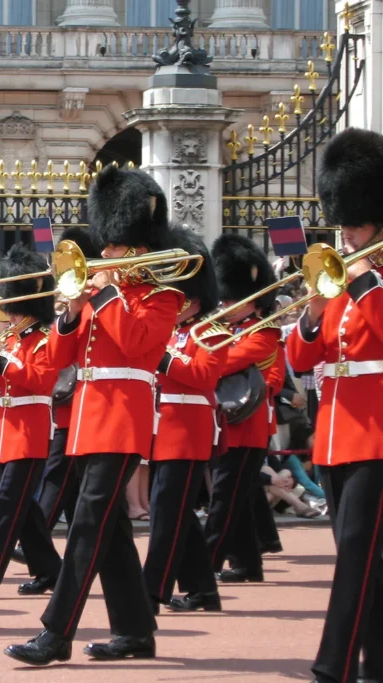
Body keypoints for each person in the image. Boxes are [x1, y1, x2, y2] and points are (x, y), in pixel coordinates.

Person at [6, 165, 179, 665]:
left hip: (123, 419)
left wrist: (103, 294)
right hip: (86, 419)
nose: (103, 254)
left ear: (139, 247)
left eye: (114, 246)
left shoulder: (161, 295)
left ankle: (56, 632)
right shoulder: (99, 297)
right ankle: (135, 631)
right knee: (112, 528)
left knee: (86, 525)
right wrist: (67, 311)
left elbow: (139, 344)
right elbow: (59, 358)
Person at [287, 128, 383, 683]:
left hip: (375, 435)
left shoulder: (371, 281)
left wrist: (366, 281)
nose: (344, 237)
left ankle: (335, 665)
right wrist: (314, 310)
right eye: (342, 225)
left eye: (354, 226)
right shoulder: (343, 286)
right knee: (366, 560)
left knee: (353, 557)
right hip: (335, 434)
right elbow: (303, 358)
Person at [0, 244, 63, 598]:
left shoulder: (44, 339)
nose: (11, 314)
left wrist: (4, 361)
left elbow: (41, 380)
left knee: (7, 505)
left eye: (15, 308)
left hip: (31, 429)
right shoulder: (14, 340)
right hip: (10, 429)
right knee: (25, 508)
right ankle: (51, 570)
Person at [143, 225, 228, 614]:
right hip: (163, 429)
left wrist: (162, 355)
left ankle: (151, 590)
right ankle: (202, 590)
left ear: (194, 300)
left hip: (189, 431)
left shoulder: (212, 330)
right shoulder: (173, 329)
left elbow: (202, 377)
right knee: (177, 512)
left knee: (165, 510)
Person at [201, 233, 280, 585]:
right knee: (241, 498)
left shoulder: (263, 334)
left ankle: (204, 566)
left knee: (223, 499)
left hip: (248, 427)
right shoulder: (228, 328)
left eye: (233, 299)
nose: (226, 304)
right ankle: (249, 563)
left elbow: (224, 364)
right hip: (223, 424)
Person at [35, 228, 102, 533]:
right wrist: (70, 309)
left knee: (69, 482)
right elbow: (56, 356)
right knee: (71, 486)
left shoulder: (105, 302)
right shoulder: (77, 303)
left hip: (94, 407)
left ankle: (39, 542)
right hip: (69, 410)